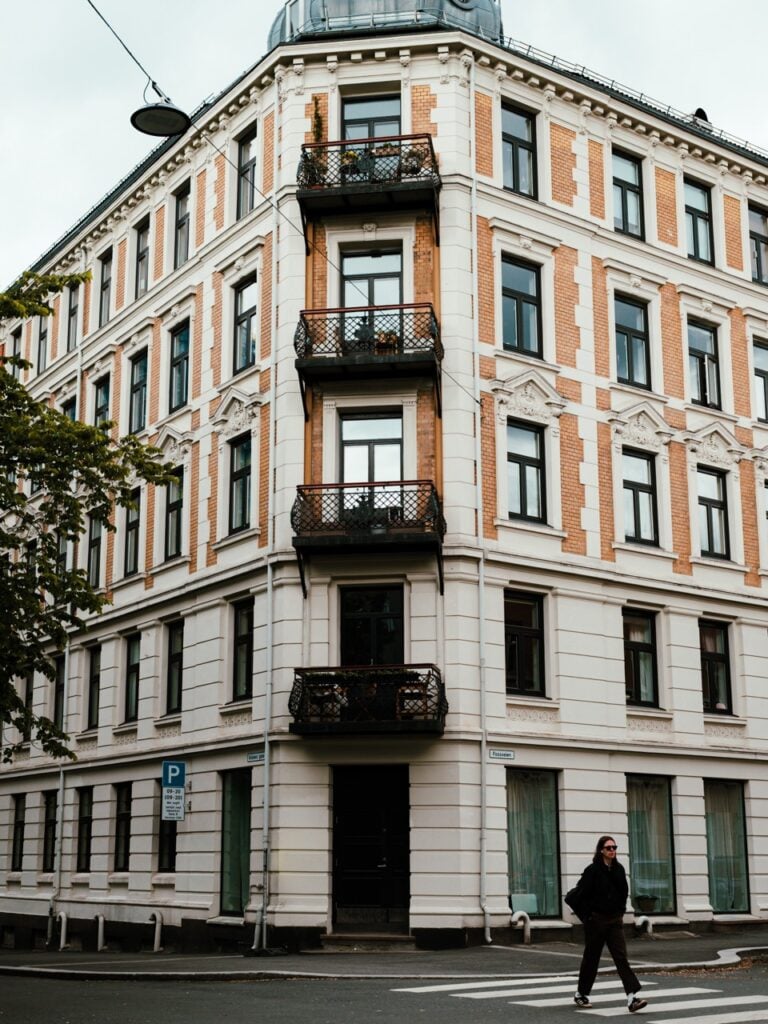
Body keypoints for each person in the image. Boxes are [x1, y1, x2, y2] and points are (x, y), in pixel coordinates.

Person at [570, 835, 648, 1013]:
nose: (612, 851)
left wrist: (620, 912)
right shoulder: (592, 871)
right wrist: (588, 917)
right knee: (592, 958)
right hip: (596, 921)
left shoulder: (618, 869)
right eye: (608, 848)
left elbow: (624, 893)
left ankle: (632, 998)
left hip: (614, 921)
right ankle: (581, 993)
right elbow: (579, 895)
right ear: (601, 851)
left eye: (614, 847)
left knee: (621, 958)